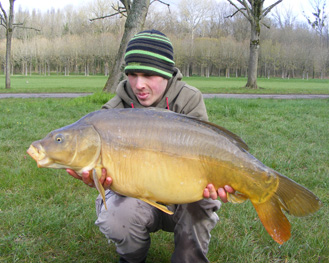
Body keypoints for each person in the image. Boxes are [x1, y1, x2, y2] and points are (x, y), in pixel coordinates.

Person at [67, 29, 234, 263]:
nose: (138, 84)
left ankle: (189, 258)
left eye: (148, 74)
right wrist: (94, 178)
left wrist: (220, 181)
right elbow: (99, 169)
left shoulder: (189, 99)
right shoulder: (111, 113)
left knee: (205, 200)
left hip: (182, 195)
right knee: (114, 215)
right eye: (132, 74)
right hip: (137, 199)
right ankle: (132, 257)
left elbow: (206, 153)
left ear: (166, 73)